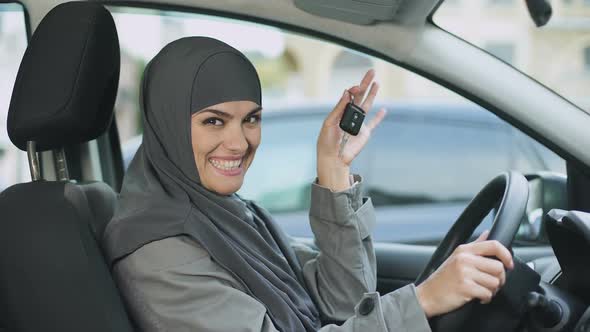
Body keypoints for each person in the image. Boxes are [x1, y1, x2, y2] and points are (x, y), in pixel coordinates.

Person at [103, 37, 514, 332]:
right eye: (214, 121)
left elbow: (345, 303)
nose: (239, 141)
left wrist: (333, 171)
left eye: (251, 119)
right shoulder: (159, 250)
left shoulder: (230, 215)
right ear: (168, 125)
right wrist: (423, 301)